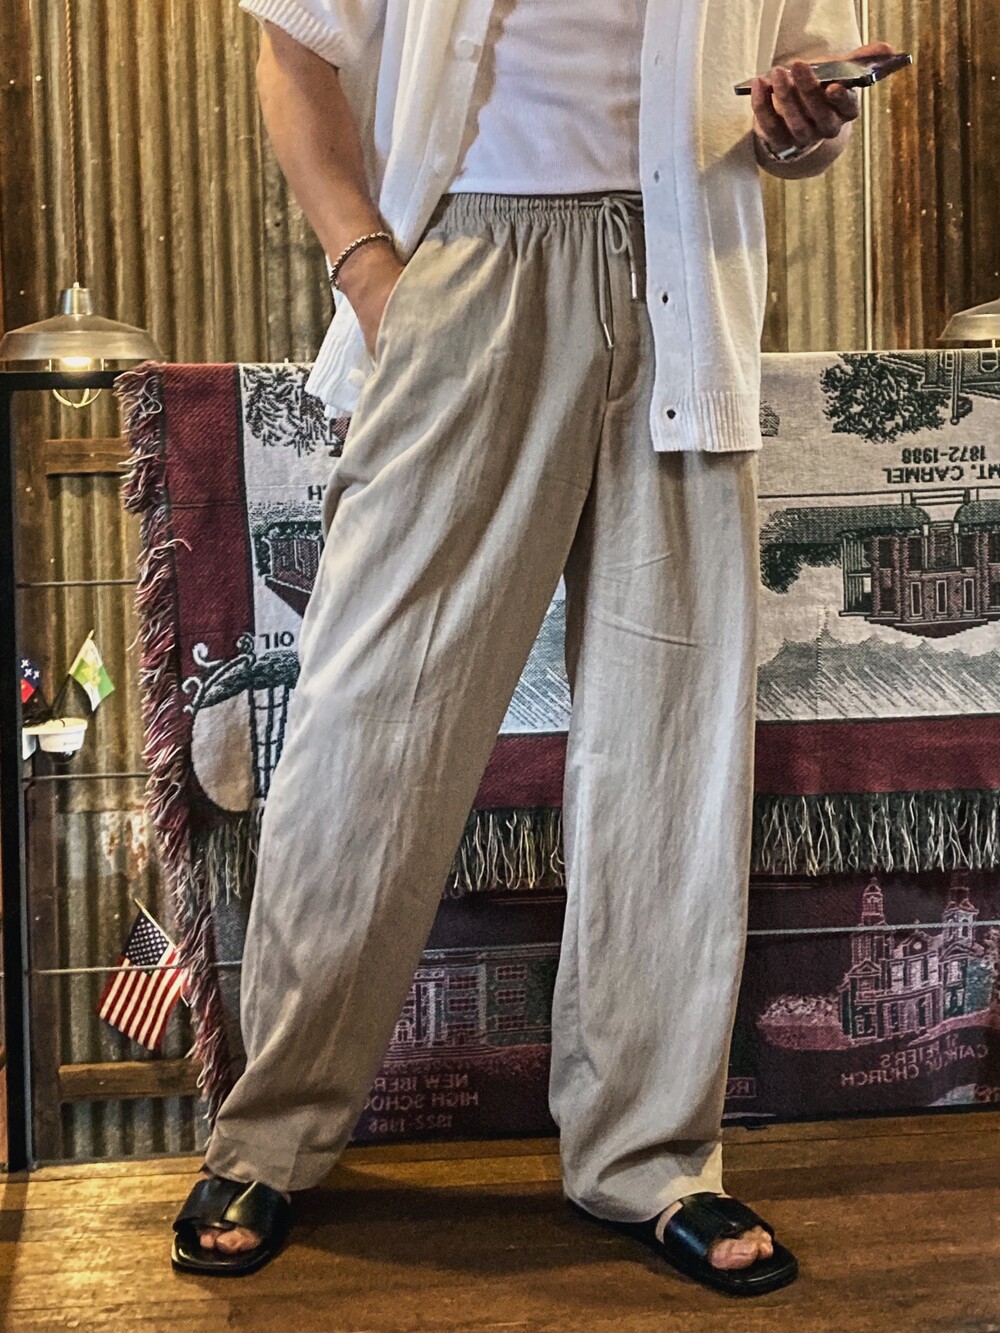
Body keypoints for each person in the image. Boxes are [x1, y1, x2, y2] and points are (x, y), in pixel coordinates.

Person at [171, 0, 894, 1296]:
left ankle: (650, 1156)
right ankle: (270, 1132)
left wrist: (804, 121)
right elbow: (291, 46)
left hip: (688, 275)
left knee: (671, 745)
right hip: (474, 261)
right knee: (369, 722)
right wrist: (372, 273)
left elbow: (804, 110)